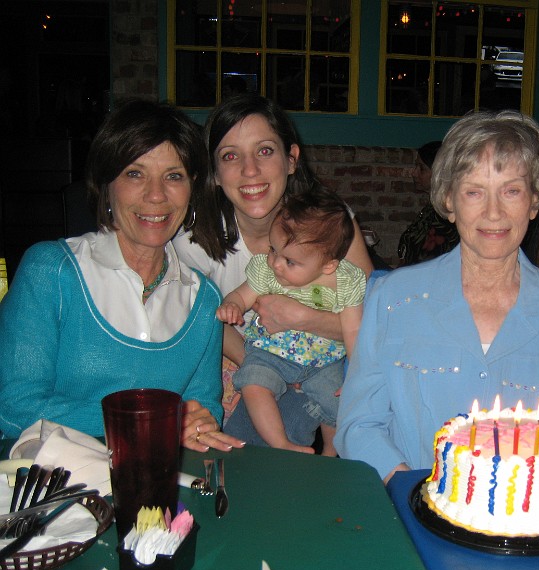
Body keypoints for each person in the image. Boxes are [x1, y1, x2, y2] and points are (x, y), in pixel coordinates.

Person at [335, 110, 539, 483]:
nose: (494, 212)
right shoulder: (393, 299)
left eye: (511, 190)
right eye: (473, 191)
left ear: (534, 201)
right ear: (449, 201)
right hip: (416, 525)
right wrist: (414, 492)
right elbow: (358, 426)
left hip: (535, 529)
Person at [0, 99, 242, 452]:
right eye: (134, 173)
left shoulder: (204, 300)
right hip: (51, 490)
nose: (156, 195)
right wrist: (155, 424)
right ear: (106, 184)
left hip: (158, 492)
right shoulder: (50, 271)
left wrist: (199, 424)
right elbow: (12, 409)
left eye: (173, 176)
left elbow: (204, 411)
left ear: (192, 188)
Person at [174, 94, 373, 448]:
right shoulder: (192, 239)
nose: (250, 170)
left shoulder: (330, 224)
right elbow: (204, 326)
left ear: (291, 159)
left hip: (327, 357)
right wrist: (271, 363)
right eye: (230, 156)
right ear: (215, 173)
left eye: (264, 151)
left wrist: (304, 319)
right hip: (245, 359)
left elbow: (374, 322)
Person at [216, 191, 366, 455]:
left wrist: (354, 372)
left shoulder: (346, 280)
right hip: (270, 352)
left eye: (290, 261)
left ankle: (331, 453)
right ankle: (280, 443)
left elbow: (353, 329)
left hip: (324, 361)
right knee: (253, 382)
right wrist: (233, 304)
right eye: (273, 250)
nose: (276, 264)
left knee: (339, 402)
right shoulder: (267, 271)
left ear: (328, 265)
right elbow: (243, 294)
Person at [396, 141, 460, 266]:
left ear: (439, 173)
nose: (414, 173)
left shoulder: (446, 216)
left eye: (422, 168)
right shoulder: (432, 208)